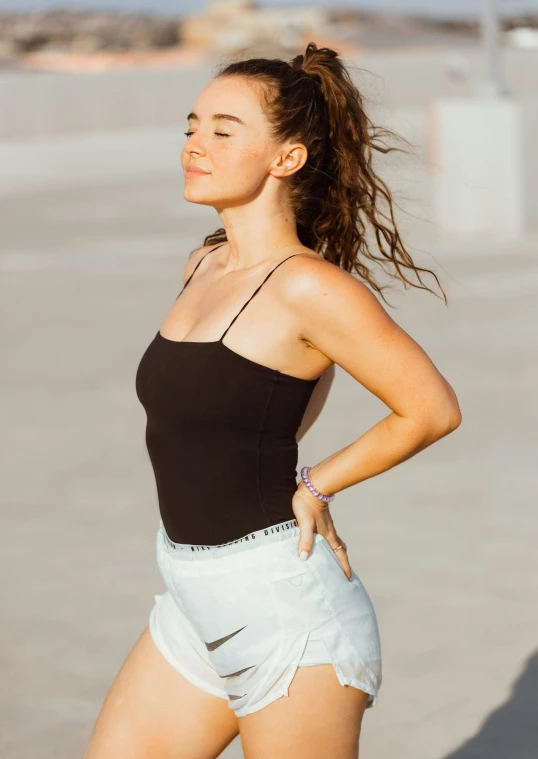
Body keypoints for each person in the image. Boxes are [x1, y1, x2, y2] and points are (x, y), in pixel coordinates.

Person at [84, 42, 462, 759]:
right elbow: (254, 413)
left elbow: (431, 407)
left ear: (286, 158)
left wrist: (318, 481)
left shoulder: (312, 288)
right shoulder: (204, 264)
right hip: (191, 596)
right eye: (193, 125)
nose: (196, 143)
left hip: (287, 615)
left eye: (224, 131)